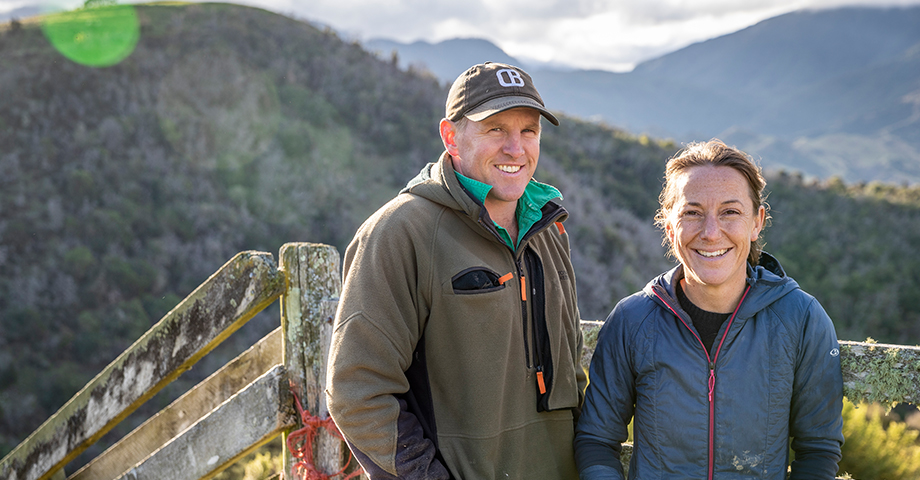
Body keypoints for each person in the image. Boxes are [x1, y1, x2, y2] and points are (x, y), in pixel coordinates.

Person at [326, 62, 587, 479]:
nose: (516, 149)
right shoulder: (400, 232)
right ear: (451, 136)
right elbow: (358, 390)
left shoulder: (549, 230)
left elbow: (570, 371)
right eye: (495, 129)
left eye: (528, 131)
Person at [574, 139, 844, 479]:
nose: (711, 233)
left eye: (730, 212)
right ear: (670, 226)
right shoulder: (632, 321)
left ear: (757, 221)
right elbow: (597, 440)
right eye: (692, 213)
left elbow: (818, 450)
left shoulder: (801, 319)